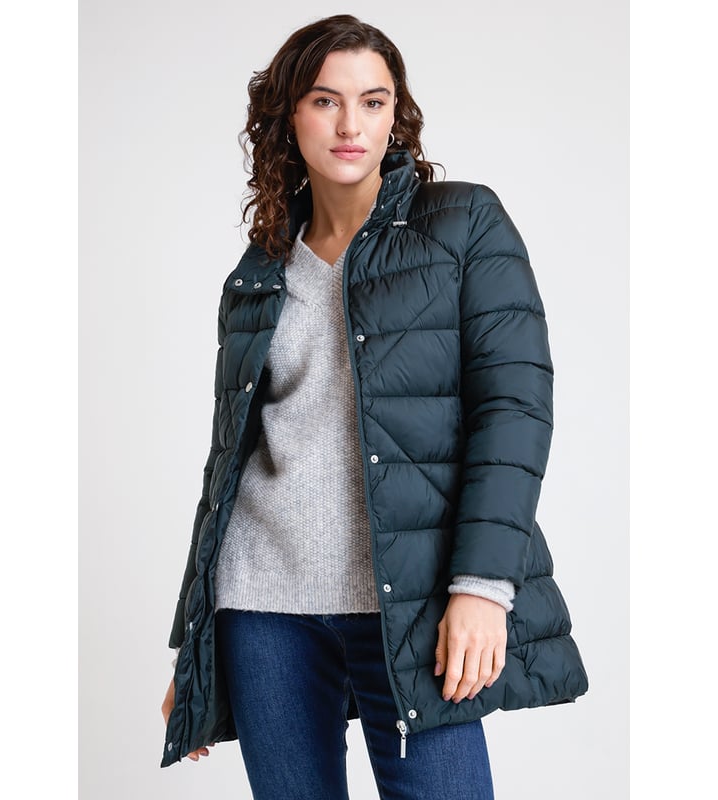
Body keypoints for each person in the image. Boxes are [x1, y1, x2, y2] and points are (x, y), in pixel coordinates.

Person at [160, 13, 588, 799]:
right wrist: (196, 653)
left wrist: (482, 587)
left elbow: (514, 408)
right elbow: (229, 462)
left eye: (373, 100)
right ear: (289, 115)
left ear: (397, 114)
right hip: (260, 607)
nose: (350, 125)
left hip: (412, 599)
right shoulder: (259, 269)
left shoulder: (462, 223)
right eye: (325, 101)